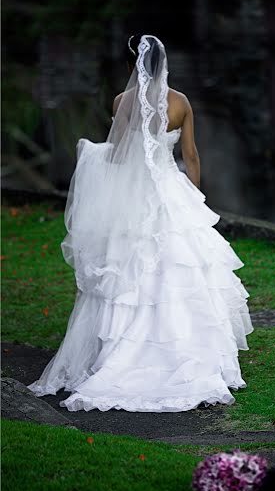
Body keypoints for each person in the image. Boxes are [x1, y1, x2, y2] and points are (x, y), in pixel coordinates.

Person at [27, 34, 254, 412]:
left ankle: (120, 348)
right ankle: (185, 348)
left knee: (127, 267)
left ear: (136, 66)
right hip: (167, 191)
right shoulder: (180, 103)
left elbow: (118, 155)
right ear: (166, 65)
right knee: (181, 265)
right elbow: (191, 156)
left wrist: (96, 165)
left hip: (132, 199)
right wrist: (193, 198)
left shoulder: (121, 101)